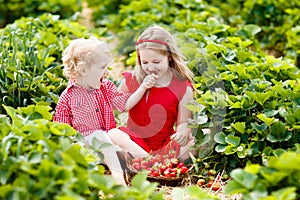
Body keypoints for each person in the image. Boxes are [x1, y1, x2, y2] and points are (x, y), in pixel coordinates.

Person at [108, 25, 195, 161]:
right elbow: (115, 105)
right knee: (114, 134)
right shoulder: (132, 79)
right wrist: (141, 88)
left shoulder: (183, 87)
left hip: (165, 145)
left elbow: (183, 122)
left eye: (156, 62)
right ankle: (149, 161)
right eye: (145, 62)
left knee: (200, 137)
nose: (150, 68)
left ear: (169, 57)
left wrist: (183, 132)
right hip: (135, 142)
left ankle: (148, 163)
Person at [53, 37, 129, 185]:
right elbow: (63, 132)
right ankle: (119, 182)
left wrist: (142, 88)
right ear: (83, 70)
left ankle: (150, 163)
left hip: (106, 143)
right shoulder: (67, 98)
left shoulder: (105, 86)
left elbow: (122, 103)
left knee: (117, 133)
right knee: (98, 135)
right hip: (85, 149)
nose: (107, 72)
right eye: (102, 68)